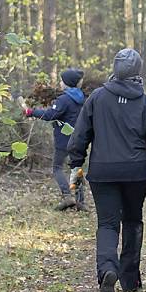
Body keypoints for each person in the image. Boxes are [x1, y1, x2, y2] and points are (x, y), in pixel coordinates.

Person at [66, 48, 146, 292]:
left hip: (103, 171)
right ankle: (130, 279)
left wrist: (76, 163)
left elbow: (80, 134)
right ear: (138, 72)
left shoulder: (97, 98)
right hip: (136, 173)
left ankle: (107, 270)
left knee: (107, 224)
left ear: (115, 68)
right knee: (132, 221)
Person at [24, 69, 88, 210]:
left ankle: (67, 197)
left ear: (67, 83)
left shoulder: (64, 99)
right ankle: (80, 202)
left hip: (64, 140)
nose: (60, 83)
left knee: (57, 168)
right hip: (78, 139)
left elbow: (50, 115)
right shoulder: (81, 98)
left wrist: (31, 112)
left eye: (61, 80)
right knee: (76, 168)